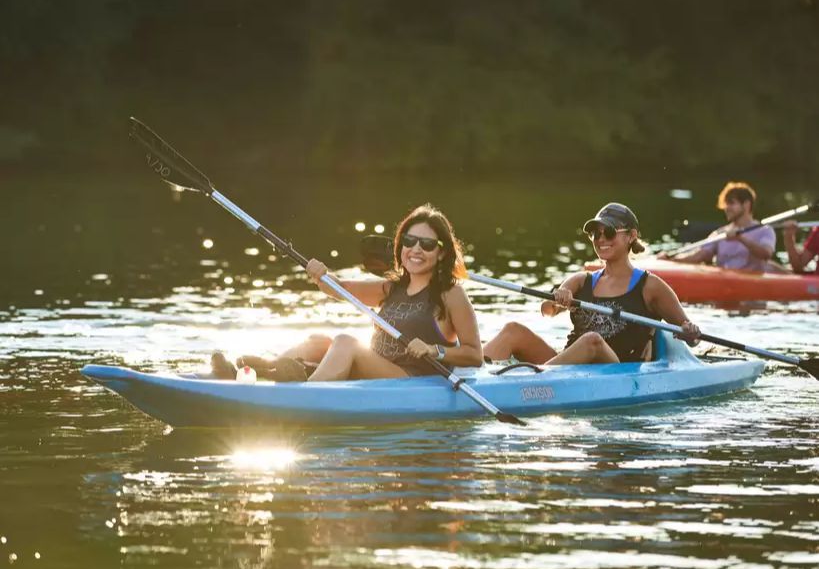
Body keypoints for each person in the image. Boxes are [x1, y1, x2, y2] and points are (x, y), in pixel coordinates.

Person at [214, 204, 483, 381]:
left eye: (427, 244)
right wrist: (321, 275)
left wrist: (434, 350)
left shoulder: (451, 294)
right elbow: (341, 289)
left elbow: (474, 354)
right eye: (409, 241)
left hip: (409, 379)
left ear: (442, 252)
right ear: (401, 246)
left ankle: (306, 395)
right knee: (318, 342)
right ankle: (254, 371)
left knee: (345, 342)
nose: (416, 250)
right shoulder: (392, 288)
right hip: (376, 368)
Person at [483, 203, 700, 365]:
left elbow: (690, 337)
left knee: (592, 341)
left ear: (631, 236)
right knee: (513, 330)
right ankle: (467, 376)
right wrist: (560, 299)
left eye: (610, 232)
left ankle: (535, 382)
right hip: (567, 367)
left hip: (617, 372)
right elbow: (547, 310)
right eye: (596, 234)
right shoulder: (580, 280)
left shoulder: (651, 286)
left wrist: (690, 331)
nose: (601, 239)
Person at [663, 181, 775, 271]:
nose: (726, 208)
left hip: (751, 288)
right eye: (726, 204)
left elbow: (766, 254)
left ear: (746, 204)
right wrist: (670, 259)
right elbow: (699, 256)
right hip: (725, 288)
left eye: (731, 203)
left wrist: (741, 239)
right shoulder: (720, 233)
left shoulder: (765, 230)